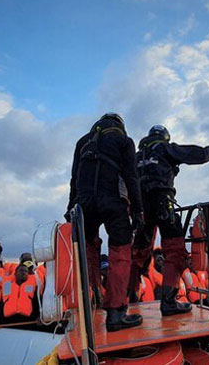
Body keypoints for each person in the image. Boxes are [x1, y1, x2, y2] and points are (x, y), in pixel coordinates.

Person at [130, 124, 209, 317]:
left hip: (140, 208)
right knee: (175, 251)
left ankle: (128, 300)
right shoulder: (165, 148)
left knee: (138, 253)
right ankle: (169, 302)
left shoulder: (135, 157)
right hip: (162, 203)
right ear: (164, 137)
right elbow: (198, 155)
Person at [66, 112, 144, 332]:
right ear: (120, 125)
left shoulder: (83, 141)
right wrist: (138, 210)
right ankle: (116, 314)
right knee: (120, 253)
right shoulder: (124, 141)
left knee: (89, 251)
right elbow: (131, 176)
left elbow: (74, 178)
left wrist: (71, 207)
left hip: (84, 203)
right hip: (113, 200)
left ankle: (94, 299)